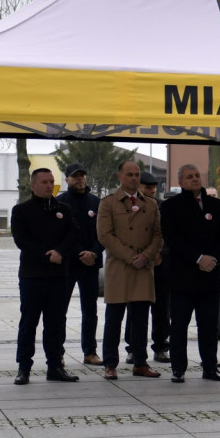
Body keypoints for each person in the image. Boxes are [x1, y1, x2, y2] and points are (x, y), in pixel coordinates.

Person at [159, 164, 220, 384]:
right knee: (179, 325)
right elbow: (172, 239)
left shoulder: (216, 205)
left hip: (210, 276)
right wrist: (198, 258)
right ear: (180, 181)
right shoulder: (171, 206)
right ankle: (178, 368)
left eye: (197, 175)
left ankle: (210, 367)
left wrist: (214, 258)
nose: (195, 179)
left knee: (209, 326)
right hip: (183, 276)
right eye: (189, 176)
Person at [11, 168, 80, 385]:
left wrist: (60, 251)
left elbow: (73, 233)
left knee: (55, 323)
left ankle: (55, 366)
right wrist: (46, 255)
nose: (49, 185)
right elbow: (21, 240)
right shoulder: (21, 210)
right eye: (44, 182)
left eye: (51, 181)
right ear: (33, 185)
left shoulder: (63, 209)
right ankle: (24, 367)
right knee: (29, 322)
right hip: (32, 276)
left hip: (58, 276)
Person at [97, 160, 164, 380]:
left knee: (141, 319)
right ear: (120, 176)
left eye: (136, 174)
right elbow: (105, 235)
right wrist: (129, 256)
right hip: (119, 266)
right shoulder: (108, 203)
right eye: (129, 174)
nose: (134, 178)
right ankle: (110, 363)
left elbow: (158, 235)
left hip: (143, 267)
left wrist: (147, 256)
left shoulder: (151, 204)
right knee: (114, 319)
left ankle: (140, 363)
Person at [56, 162, 104, 366]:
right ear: (67, 179)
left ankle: (90, 352)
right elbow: (61, 234)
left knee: (90, 311)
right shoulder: (59, 202)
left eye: (82, 175)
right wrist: (79, 253)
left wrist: (94, 252)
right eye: (75, 176)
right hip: (67, 264)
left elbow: (104, 232)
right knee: (60, 310)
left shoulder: (96, 202)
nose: (79, 178)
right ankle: (58, 352)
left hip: (90, 263)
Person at [123, 171, 170, 365]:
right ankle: (133, 348)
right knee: (135, 308)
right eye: (147, 187)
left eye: (153, 188)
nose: (151, 191)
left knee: (162, 309)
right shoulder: (129, 206)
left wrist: (160, 253)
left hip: (160, 265)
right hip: (138, 264)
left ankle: (161, 347)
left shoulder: (162, 207)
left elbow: (168, 234)